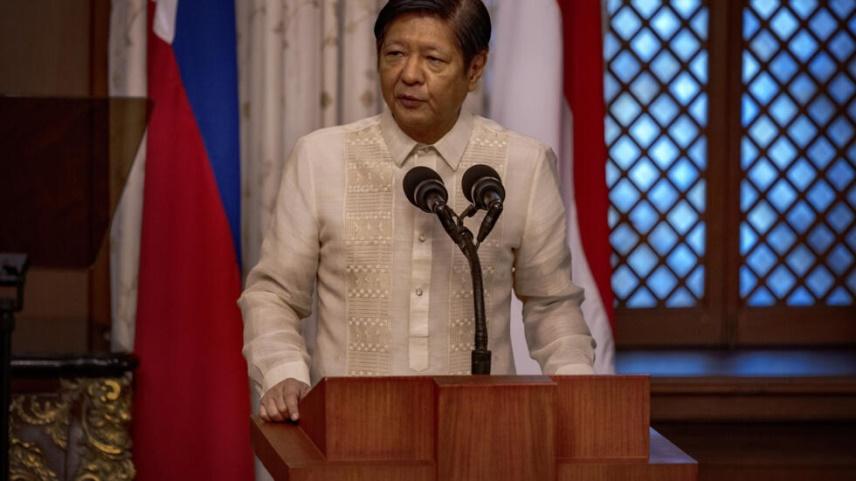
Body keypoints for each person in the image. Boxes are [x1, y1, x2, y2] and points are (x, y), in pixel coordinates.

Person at [239, 0, 595, 423]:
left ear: (475, 68)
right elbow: (274, 293)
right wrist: (283, 371)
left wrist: (579, 387)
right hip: (349, 429)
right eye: (394, 54)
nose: (409, 74)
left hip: (482, 434)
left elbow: (551, 303)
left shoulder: (523, 165)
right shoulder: (321, 158)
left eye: (433, 59)